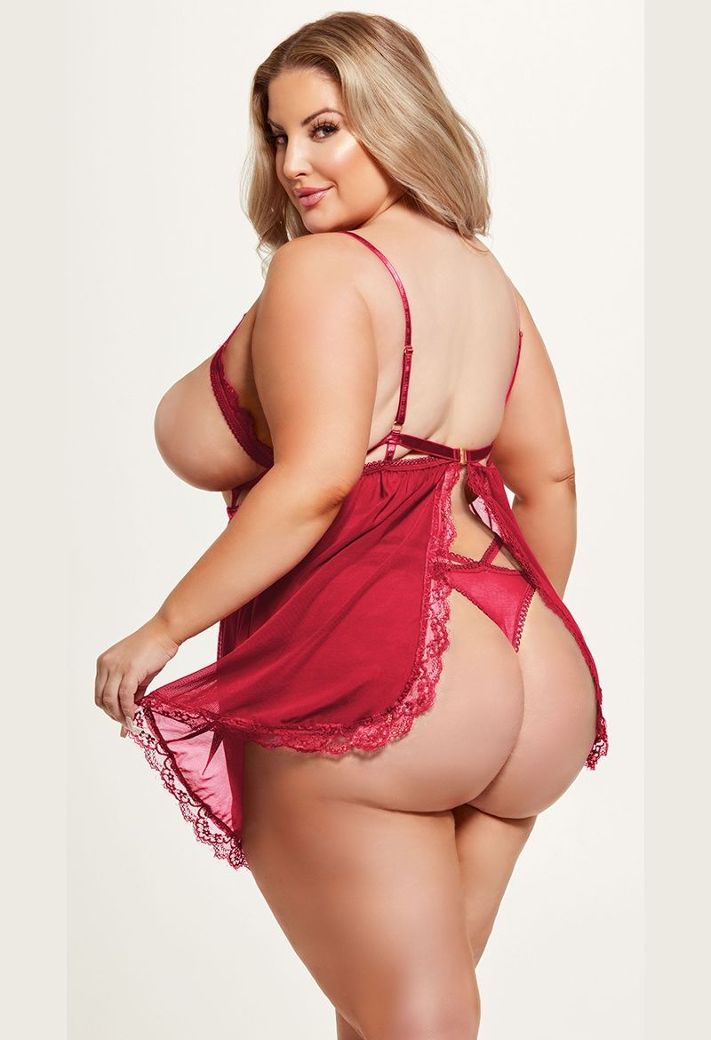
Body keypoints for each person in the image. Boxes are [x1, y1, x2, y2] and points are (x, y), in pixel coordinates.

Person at [94, 12, 608, 1039]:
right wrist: (499, 661)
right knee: (393, 1018)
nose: (293, 163)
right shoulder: (486, 279)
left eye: (324, 129)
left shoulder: (323, 273)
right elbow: (548, 479)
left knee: (410, 1021)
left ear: (395, 116)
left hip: (384, 671)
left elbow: (318, 481)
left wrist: (163, 626)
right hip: (535, 666)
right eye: (278, 135)